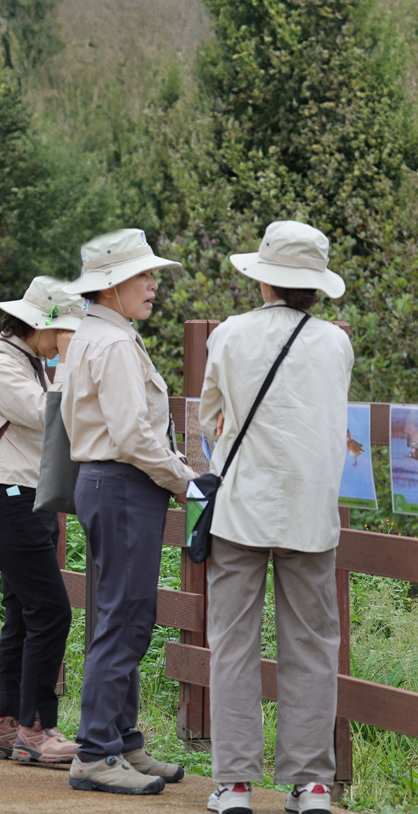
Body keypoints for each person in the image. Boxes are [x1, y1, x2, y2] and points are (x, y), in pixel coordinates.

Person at [200, 222, 353, 814]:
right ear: (315, 286)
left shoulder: (230, 334)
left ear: (263, 279)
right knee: (312, 645)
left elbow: (209, 416)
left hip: (241, 508)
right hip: (311, 513)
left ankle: (235, 784)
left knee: (232, 643)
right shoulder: (335, 343)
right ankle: (312, 785)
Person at [60, 228, 191, 796]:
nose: (154, 284)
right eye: (144, 275)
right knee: (126, 617)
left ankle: (121, 739)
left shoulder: (96, 334)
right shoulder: (112, 343)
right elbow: (134, 435)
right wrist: (186, 481)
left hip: (110, 484)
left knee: (124, 612)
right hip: (123, 484)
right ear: (111, 285)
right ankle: (95, 752)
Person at [0, 276, 84, 766]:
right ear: (40, 326)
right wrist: (69, 362)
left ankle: (3, 726)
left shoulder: (25, 363)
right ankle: (37, 727)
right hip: (11, 500)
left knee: (24, 613)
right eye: (65, 331)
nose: (68, 341)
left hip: (24, 501)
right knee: (52, 611)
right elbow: (53, 416)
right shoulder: (2, 367)